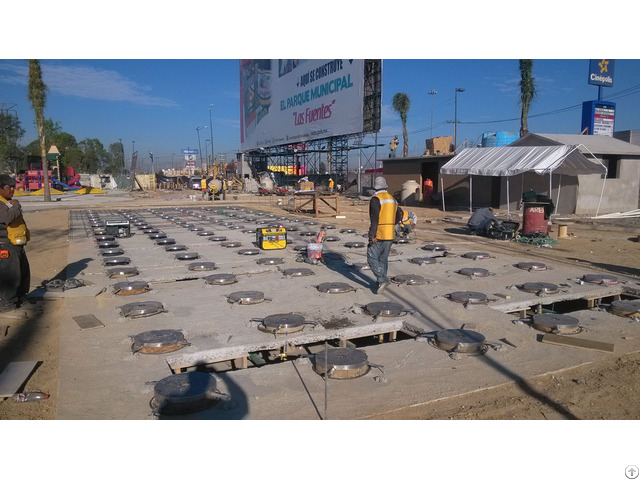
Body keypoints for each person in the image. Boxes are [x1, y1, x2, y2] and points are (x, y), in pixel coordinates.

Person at [367, 176, 403, 294]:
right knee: (383, 258)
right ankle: (380, 283)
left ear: (375, 188)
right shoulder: (393, 199)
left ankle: (382, 279)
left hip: (380, 232)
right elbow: (399, 215)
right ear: (386, 186)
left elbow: (374, 219)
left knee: (371, 256)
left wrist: (372, 235)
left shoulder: (376, 199)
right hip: (390, 233)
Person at [0, 174, 31, 312]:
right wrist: (16, 206)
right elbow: (8, 218)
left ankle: (21, 297)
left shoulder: (8, 202)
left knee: (22, 273)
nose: (11, 189)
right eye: (8, 187)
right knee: (11, 275)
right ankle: (8, 303)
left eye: (13, 187)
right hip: (6, 245)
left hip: (17, 244)